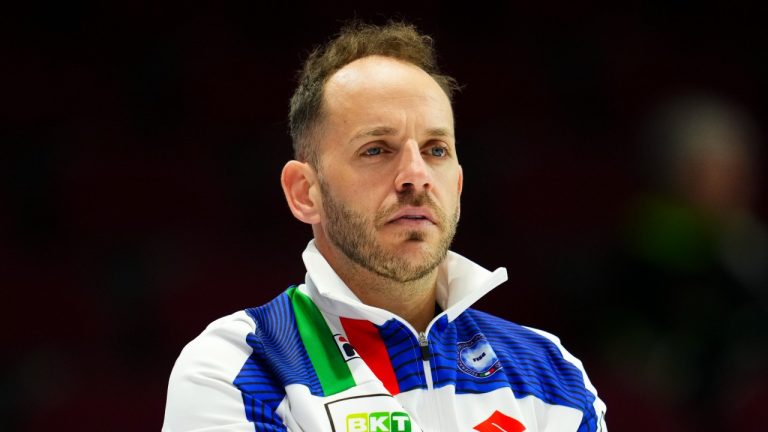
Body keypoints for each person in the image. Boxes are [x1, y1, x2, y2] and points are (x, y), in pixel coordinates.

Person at [162, 20, 607, 432]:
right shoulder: (238, 368)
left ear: (457, 183)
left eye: (435, 150)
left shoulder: (552, 372)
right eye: (376, 149)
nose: (416, 174)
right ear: (304, 192)